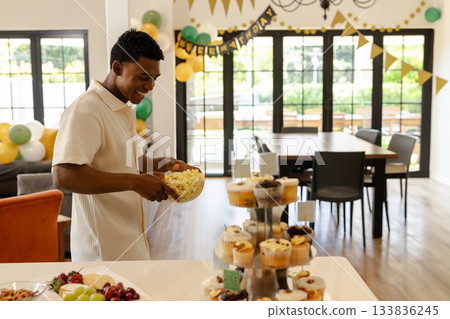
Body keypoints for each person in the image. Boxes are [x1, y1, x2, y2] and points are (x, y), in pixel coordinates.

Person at [52, 29, 195, 262]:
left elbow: (124, 161)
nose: (150, 87)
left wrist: (164, 163)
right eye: (142, 77)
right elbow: (63, 175)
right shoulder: (86, 109)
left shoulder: (123, 110)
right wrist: (135, 182)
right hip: (102, 254)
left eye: (154, 79)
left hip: (129, 242)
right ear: (117, 68)